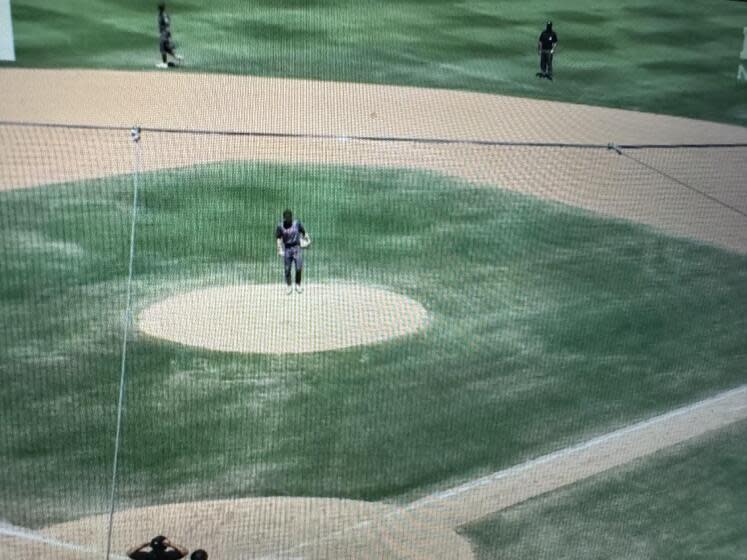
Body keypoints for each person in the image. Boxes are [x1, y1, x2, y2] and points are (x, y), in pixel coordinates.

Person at [275, 209, 310, 295]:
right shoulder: (280, 226)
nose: (288, 219)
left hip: (297, 248)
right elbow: (279, 238)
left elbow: (303, 232)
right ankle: (289, 286)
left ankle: (298, 285)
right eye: (286, 218)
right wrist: (279, 249)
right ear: (284, 218)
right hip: (287, 249)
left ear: (291, 217)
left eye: (289, 218)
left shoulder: (297, 223)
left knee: (298, 268)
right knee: (287, 269)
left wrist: (308, 240)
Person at [156, 2, 184, 68]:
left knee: (162, 47)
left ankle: (164, 63)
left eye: (159, 8)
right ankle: (177, 57)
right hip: (164, 33)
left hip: (164, 33)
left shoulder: (164, 15)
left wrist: (165, 33)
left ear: (161, 8)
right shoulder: (161, 14)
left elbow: (167, 23)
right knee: (166, 48)